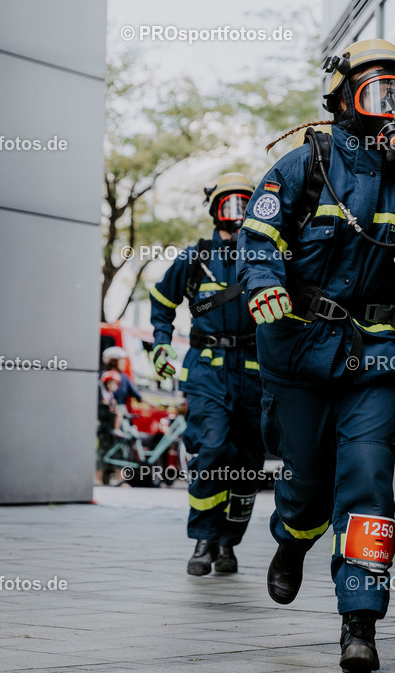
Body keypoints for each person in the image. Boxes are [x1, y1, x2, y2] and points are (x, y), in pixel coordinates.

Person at [237, 39, 395, 673]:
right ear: (341, 98)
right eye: (375, 91)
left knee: (367, 478)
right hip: (300, 349)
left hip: (376, 356)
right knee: (304, 484)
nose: (390, 106)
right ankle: (292, 540)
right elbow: (259, 235)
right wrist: (265, 283)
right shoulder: (305, 165)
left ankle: (359, 621)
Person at [149, 172, 265, 577]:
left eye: (244, 204)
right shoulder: (194, 258)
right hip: (207, 372)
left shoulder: (266, 256)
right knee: (212, 452)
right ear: (214, 209)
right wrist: (161, 342)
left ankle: (227, 543)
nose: (235, 214)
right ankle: (203, 539)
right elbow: (162, 301)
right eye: (228, 204)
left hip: (254, 373)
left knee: (248, 464)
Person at [96, 370, 124, 485]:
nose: (114, 386)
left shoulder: (111, 396)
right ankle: (98, 478)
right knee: (102, 453)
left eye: (116, 384)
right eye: (112, 383)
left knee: (114, 453)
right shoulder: (102, 395)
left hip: (111, 429)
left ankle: (119, 479)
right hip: (104, 429)